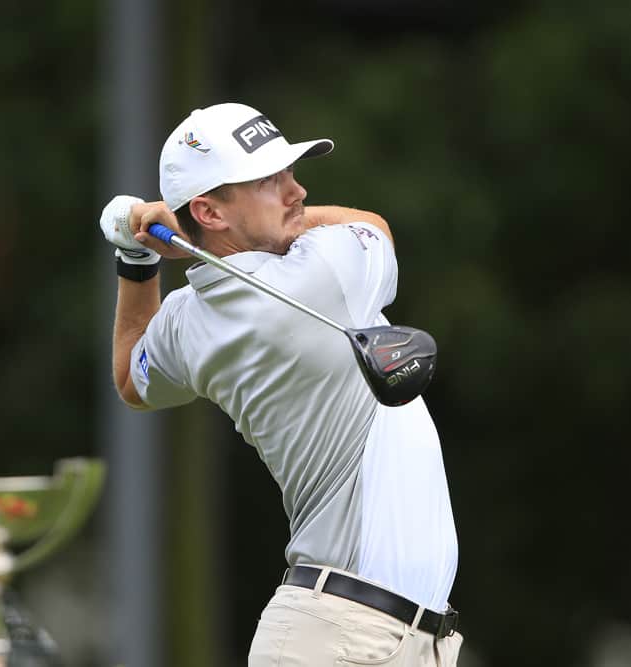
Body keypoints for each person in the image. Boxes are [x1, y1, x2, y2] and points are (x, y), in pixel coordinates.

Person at [99, 102, 461, 665]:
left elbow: (130, 377)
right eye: (271, 181)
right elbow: (373, 227)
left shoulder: (185, 322)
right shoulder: (324, 274)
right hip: (346, 637)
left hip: (360, 634)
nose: (297, 192)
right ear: (210, 212)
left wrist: (136, 256)